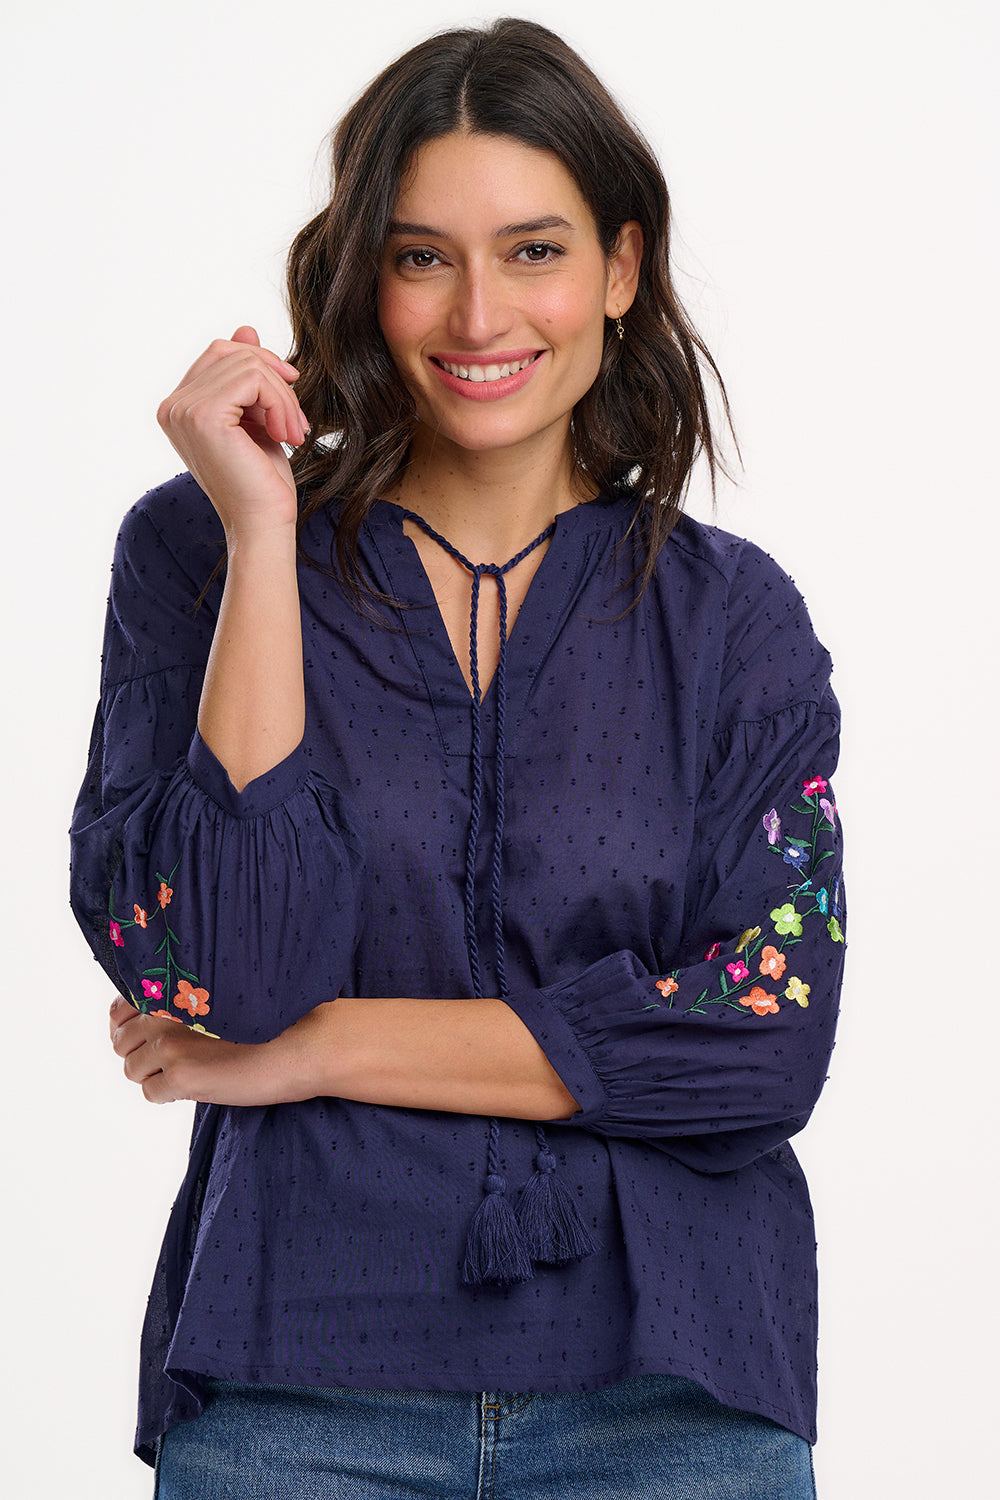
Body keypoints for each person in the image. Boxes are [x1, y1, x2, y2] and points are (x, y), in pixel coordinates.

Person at [70, 17, 845, 1498]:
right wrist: (260, 531)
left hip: (671, 1399)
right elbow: (220, 971)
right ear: (364, 274)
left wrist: (308, 1052)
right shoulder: (200, 553)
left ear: (621, 269)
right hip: (300, 1385)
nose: (479, 313)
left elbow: (761, 1035)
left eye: (535, 251)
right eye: (423, 255)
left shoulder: (735, 620)